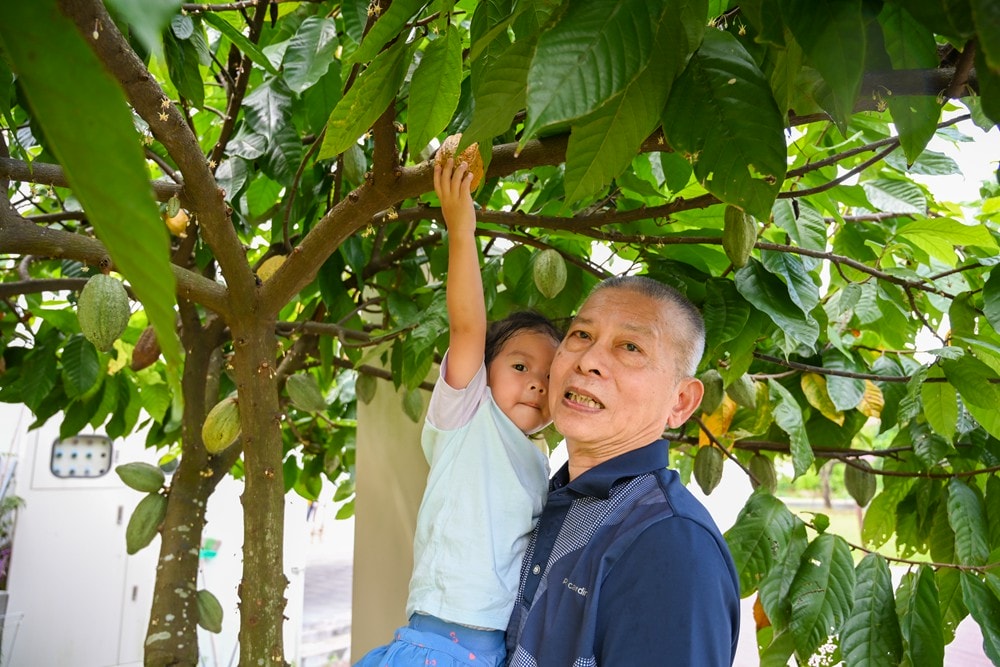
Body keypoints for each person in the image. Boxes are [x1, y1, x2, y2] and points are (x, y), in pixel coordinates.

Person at [354, 157, 562, 667]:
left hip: (495, 651)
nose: (537, 380)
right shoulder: (470, 414)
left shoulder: (540, 460)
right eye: (519, 364)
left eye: (550, 375)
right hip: (436, 643)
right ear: (483, 374)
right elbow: (468, 326)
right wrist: (461, 229)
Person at [505, 275, 741, 666]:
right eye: (581, 335)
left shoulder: (670, 543)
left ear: (681, 402)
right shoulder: (550, 497)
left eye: (630, 347)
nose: (588, 361)